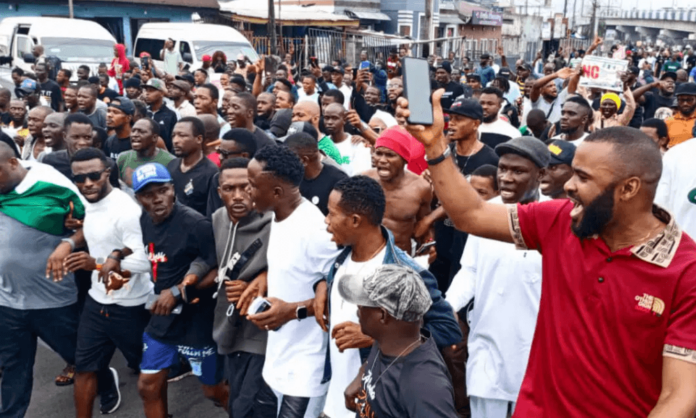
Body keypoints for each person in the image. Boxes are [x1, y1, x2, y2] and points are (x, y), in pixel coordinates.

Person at [397, 89, 696, 417]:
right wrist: (436, 147)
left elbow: (679, 396)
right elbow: (471, 215)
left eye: (583, 177)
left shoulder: (686, 273)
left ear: (629, 188)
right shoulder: (559, 220)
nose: (568, 185)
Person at [318, 175, 461, 418]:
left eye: (331, 214)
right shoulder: (341, 258)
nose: (326, 220)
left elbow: (448, 328)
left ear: (355, 220)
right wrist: (320, 285)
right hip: (335, 404)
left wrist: (377, 337)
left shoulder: (405, 273)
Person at [0, 141, 119, 417]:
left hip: (52, 298)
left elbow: (93, 223)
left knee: (78, 355)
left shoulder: (51, 184)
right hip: (8, 300)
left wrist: (69, 243)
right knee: (14, 367)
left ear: (13, 163)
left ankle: (106, 381)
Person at [446, 137, 550, 418]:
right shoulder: (484, 214)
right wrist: (448, 307)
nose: (506, 178)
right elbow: (470, 271)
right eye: (503, 169)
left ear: (540, 174)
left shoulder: (557, 218)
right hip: (487, 346)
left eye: (518, 171)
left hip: (537, 351)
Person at [245, 145, 341, 417]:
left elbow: (342, 294)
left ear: (277, 193)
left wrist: (292, 311)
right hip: (278, 358)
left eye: (253, 185)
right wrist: (266, 276)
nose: (247, 190)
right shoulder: (279, 216)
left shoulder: (316, 231)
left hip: (307, 367)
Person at [132, 163, 226, 418]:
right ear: (138, 198)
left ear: (173, 189)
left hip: (196, 319)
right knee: (148, 385)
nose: (157, 199)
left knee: (213, 390)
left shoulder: (195, 224)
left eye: (163, 190)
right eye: (148, 194)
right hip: (162, 317)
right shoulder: (144, 220)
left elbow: (218, 267)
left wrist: (177, 291)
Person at [66, 147, 152, 418]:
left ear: (107, 173)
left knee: (150, 372)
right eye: (79, 178)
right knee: (84, 368)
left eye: (94, 176)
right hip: (97, 302)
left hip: (131, 306)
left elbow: (145, 261)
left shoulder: (126, 210)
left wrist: (97, 263)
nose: (87, 183)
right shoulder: (88, 203)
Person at [340, 264, 458, 418]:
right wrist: (362, 376)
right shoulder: (390, 340)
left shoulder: (424, 385)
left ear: (383, 315)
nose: (358, 310)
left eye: (363, 305)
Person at [415, 97, 499, 289]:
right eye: (450, 118)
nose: (451, 123)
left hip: (468, 237)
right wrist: (428, 182)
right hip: (441, 234)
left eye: (459, 119)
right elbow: (435, 195)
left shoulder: (490, 159)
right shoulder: (445, 153)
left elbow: (471, 201)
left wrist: (428, 219)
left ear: (475, 124)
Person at [210, 157, 271, 418]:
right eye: (229, 189)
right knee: (234, 401)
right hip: (228, 328)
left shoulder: (275, 224)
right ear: (219, 191)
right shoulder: (217, 219)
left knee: (249, 407)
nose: (237, 196)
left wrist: (264, 279)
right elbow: (208, 260)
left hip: (262, 334)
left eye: (245, 187)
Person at [363, 128, 431, 253]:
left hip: (399, 257)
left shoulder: (421, 188)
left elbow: (424, 227)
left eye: (390, 155)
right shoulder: (363, 181)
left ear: (404, 159)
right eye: (379, 153)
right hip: (366, 255)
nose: (382, 160)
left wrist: (429, 248)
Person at [286, 132, 347, 216]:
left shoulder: (339, 181)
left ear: (304, 161)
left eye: (289, 159)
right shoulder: (293, 178)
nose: (285, 162)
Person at [166, 117, 218, 216]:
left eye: (182, 135)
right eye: (173, 136)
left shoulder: (211, 173)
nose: (175, 141)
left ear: (199, 139)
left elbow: (212, 213)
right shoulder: (171, 165)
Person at [205, 128, 258, 217]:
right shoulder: (218, 178)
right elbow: (212, 215)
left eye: (225, 153)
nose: (220, 157)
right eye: (228, 188)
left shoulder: (261, 179)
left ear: (244, 156)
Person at [656, 131, 696, 239]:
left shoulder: (677, 154)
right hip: (686, 242)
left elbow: (660, 208)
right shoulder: (677, 155)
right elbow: (660, 206)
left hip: (683, 243)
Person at [116, 118, 175, 189]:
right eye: (133, 131)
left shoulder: (171, 161)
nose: (135, 135)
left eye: (141, 132)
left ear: (154, 137)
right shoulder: (123, 158)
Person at [324, 103, 371, 175]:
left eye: (335, 118)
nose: (329, 122)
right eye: (326, 118)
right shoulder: (321, 145)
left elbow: (361, 175)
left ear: (344, 120)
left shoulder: (357, 145)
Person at [143, 78, 177, 152]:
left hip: (164, 155)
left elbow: (173, 140)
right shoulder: (144, 112)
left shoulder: (170, 114)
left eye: (151, 90)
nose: (147, 93)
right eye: (146, 90)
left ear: (161, 93)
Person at [664, 82, 696, 147]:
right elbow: (662, 144)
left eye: (689, 100)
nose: (685, 103)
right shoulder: (668, 121)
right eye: (681, 100)